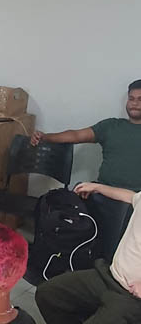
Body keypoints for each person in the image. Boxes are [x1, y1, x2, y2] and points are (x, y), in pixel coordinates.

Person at [35, 181, 141, 324]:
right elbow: (130, 197)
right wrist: (97, 187)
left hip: (132, 297)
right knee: (47, 294)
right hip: (108, 275)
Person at [31, 80, 141, 258]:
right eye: (131, 98)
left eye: (140, 99)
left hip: (133, 200)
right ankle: (64, 258)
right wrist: (46, 137)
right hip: (100, 191)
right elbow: (76, 135)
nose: (134, 103)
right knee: (59, 203)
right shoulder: (111, 126)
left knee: (120, 220)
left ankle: (106, 262)